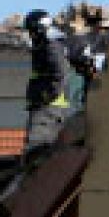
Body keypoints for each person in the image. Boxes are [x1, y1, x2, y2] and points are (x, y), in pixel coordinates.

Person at [23, 9, 74, 153]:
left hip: (47, 110)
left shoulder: (50, 46)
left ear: (39, 29)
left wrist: (47, 96)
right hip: (50, 109)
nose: (30, 35)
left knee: (35, 152)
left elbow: (61, 73)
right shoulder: (51, 45)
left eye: (32, 31)